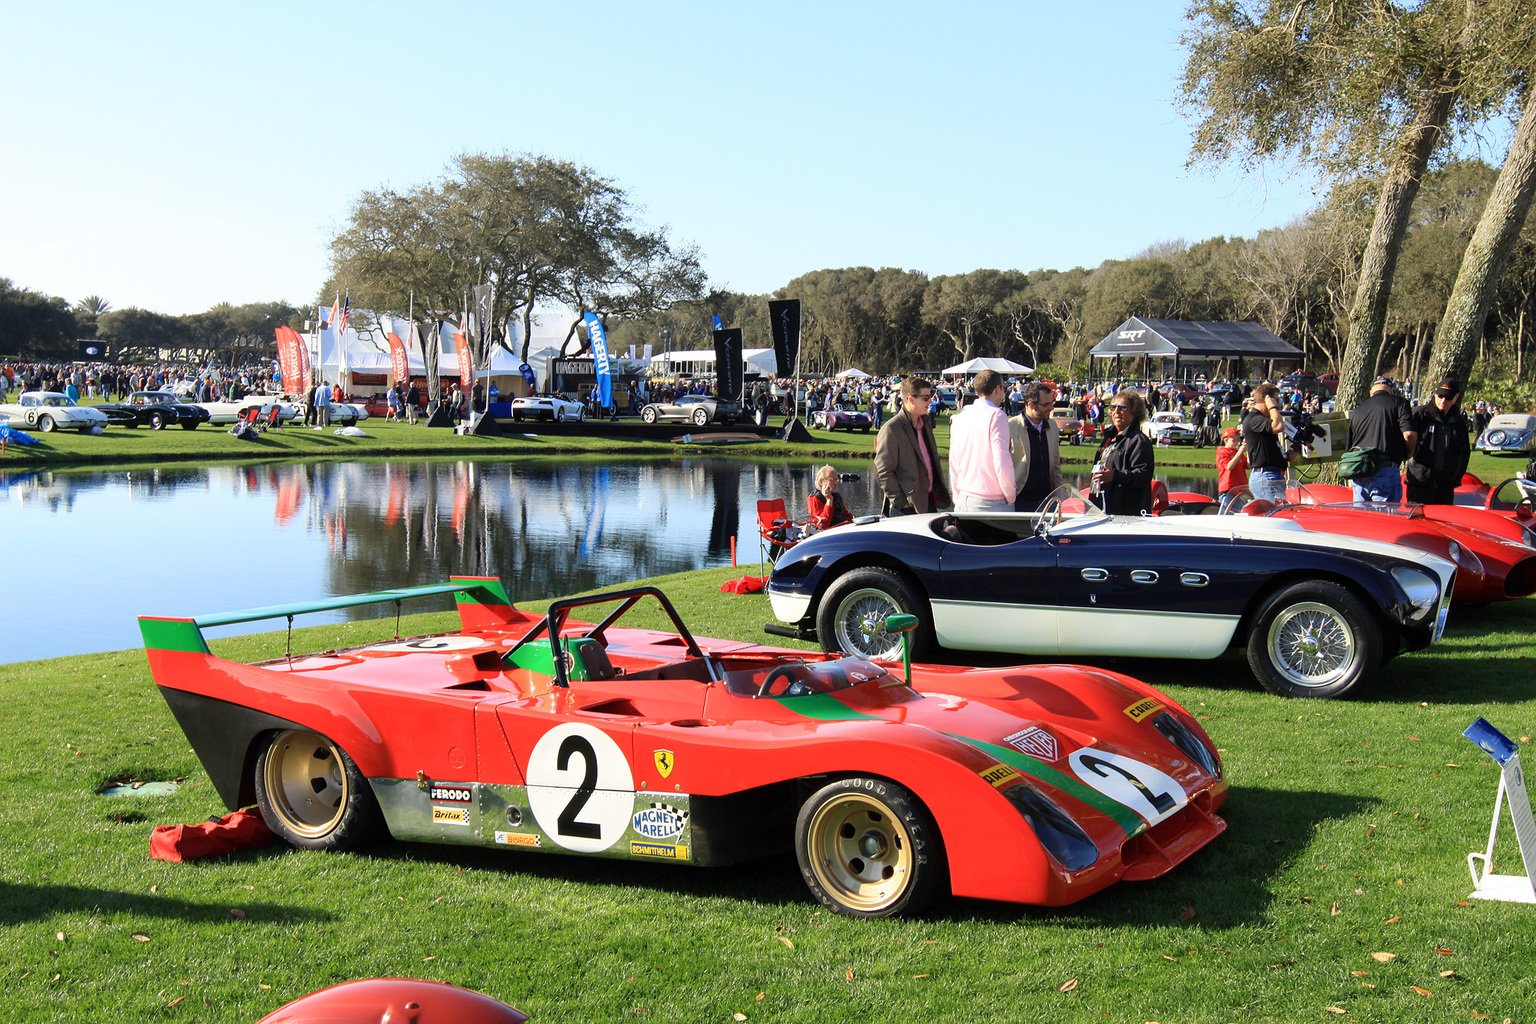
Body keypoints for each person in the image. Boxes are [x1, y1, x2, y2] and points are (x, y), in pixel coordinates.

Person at [874, 376, 951, 516]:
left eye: (931, 396)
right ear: (910, 399)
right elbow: (882, 472)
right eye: (925, 398)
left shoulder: (925, 424)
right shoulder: (891, 429)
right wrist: (902, 504)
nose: (931, 401)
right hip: (905, 509)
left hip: (928, 503)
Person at [948, 369, 1016, 513]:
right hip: (991, 501)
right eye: (1003, 388)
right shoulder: (997, 416)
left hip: (963, 497)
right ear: (997, 389)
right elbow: (1001, 460)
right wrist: (1011, 496)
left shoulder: (961, 417)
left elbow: (953, 460)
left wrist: (956, 494)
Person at [1345, 376, 1417, 503]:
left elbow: (1350, 446)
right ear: (1391, 390)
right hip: (1385, 469)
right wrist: (1409, 453)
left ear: (1371, 392)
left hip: (1359, 472)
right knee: (1385, 519)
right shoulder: (1399, 402)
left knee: (1363, 520)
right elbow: (1409, 434)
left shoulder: (1358, 410)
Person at [1405, 376, 1471, 505]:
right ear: (1435, 395)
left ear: (1456, 398)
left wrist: (1455, 477)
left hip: (1445, 485)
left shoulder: (1459, 422)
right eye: (1440, 396)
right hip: (1420, 482)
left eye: (1448, 397)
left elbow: (1464, 453)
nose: (1443, 401)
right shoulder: (1420, 415)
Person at [1093, 389, 1154, 515]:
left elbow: (1143, 476)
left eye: (1122, 408)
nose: (1116, 412)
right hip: (1101, 511)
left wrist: (1116, 476)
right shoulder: (1109, 438)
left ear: (1135, 412)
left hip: (1125, 517)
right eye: (1113, 407)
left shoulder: (1139, 441)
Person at [1008, 379, 1062, 512]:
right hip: (1020, 502)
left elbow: (1056, 465)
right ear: (1031, 405)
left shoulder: (1052, 426)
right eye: (1046, 404)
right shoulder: (1010, 427)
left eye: (1052, 403)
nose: (1051, 408)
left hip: (1048, 503)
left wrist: (1061, 496)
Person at [1241, 383, 1297, 504]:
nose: (1278, 404)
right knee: (1274, 516)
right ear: (1267, 399)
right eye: (1276, 400)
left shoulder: (1261, 420)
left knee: (1280, 515)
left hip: (1271, 475)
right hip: (1266, 476)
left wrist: (1285, 456)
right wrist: (1272, 407)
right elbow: (1278, 426)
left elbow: (1265, 448)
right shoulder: (1254, 418)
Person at [806, 465, 854, 532]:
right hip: (829, 534)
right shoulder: (814, 498)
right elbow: (822, 525)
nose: (836, 483)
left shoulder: (836, 496)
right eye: (831, 480)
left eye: (836, 479)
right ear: (821, 482)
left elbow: (847, 515)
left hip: (843, 528)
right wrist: (829, 500)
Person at [1216, 427, 1249, 514]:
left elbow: (1248, 466)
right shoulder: (1222, 452)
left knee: (1238, 513)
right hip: (1228, 490)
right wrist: (1240, 452)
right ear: (1226, 440)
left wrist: (1248, 451)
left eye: (1237, 440)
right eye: (1234, 440)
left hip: (1239, 490)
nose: (1237, 443)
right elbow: (1229, 466)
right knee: (1225, 513)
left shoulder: (1236, 452)